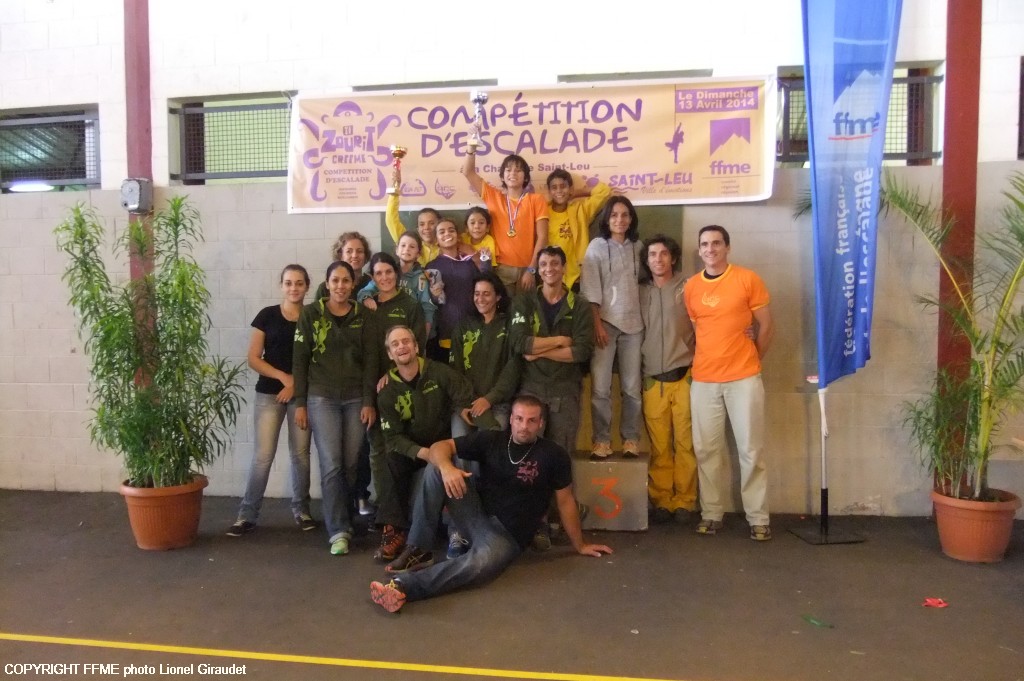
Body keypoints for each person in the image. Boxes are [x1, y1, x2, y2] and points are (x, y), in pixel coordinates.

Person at [369, 395, 613, 613]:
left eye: (531, 421)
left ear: (541, 423)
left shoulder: (554, 455)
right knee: (436, 469)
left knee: (478, 565)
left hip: (505, 537)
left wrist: (580, 545)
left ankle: (402, 587)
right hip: (475, 516)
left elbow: (566, 501)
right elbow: (439, 447)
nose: (524, 426)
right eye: (519, 419)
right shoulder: (493, 440)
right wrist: (447, 468)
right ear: (511, 420)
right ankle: (418, 548)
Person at [684, 225, 774, 541]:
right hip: (704, 380)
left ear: (727, 247)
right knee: (706, 450)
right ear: (699, 250)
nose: (710, 249)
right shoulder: (691, 287)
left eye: (716, 243)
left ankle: (758, 518)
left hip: (744, 378)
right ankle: (711, 514)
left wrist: (752, 357)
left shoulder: (748, 279)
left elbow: (766, 326)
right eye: (705, 244)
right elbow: (697, 332)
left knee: (751, 449)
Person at [293, 261, 377, 555]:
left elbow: (372, 362)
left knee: (352, 464)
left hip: (356, 399)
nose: (340, 286)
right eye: (335, 281)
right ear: (327, 284)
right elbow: (300, 361)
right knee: (332, 464)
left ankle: (348, 518)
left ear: (353, 285)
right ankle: (338, 530)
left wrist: (368, 401)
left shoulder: (364, 316)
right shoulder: (310, 314)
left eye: (345, 281)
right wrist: (300, 403)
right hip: (321, 398)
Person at [227, 264, 315, 537]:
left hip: (301, 397)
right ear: (281, 286)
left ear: (307, 286)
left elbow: (318, 360)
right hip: (268, 394)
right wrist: (284, 378)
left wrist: (295, 386)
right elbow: (254, 358)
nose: (293, 288)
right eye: (288, 283)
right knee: (263, 456)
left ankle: (302, 511)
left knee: (301, 455)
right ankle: (247, 515)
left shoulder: (313, 317)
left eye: (299, 283)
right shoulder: (267, 315)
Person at [374, 325, 473, 562]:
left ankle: (458, 531)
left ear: (416, 346)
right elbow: (393, 438)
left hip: (443, 443)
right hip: (413, 449)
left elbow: (464, 395)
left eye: (406, 341)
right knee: (388, 459)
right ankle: (394, 530)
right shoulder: (386, 391)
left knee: (462, 455)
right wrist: (425, 453)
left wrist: (466, 413)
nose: (402, 347)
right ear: (390, 354)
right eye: (395, 344)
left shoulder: (439, 372)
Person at [508, 246, 594, 457]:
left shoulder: (580, 305)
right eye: (544, 264)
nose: (549, 269)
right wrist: (560, 341)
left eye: (555, 263)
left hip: (565, 390)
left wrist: (538, 352)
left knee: (560, 456)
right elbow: (520, 343)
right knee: (526, 454)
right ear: (538, 269)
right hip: (530, 386)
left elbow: (581, 352)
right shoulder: (524, 301)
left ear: (564, 268)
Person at [639, 236, 698, 524]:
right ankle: (661, 499)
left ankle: (685, 501)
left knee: (685, 443)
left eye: (664, 254)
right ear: (646, 260)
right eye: (652, 254)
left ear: (673, 258)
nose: (658, 259)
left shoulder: (689, 287)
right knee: (660, 446)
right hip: (652, 380)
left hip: (685, 376)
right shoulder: (640, 292)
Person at [580, 196, 644, 460]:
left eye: (625, 215)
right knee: (600, 389)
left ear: (631, 219)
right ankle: (602, 441)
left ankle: (630, 439)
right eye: (614, 215)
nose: (620, 220)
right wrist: (597, 324)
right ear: (606, 219)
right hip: (604, 324)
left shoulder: (639, 247)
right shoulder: (596, 246)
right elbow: (589, 289)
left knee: (632, 388)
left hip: (634, 326)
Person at [461, 149, 548, 294]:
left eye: (518, 170)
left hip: (528, 267)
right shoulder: (494, 197)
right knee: (503, 307)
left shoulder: (536, 200)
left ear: (526, 177)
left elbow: (543, 237)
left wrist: (532, 269)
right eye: (508, 170)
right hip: (501, 268)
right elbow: (468, 172)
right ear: (502, 176)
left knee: (526, 308)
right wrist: (471, 148)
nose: (513, 173)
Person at [424, 218, 489, 361]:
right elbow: (432, 301)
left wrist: (485, 262)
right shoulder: (432, 266)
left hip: (473, 327)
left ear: (458, 236)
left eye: (451, 230)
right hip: (447, 329)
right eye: (442, 232)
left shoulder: (470, 263)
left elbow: (486, 284)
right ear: (436, 240)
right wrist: (435, 295)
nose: (447, 234)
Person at [358, 231, 436, 339]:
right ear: (397, 250)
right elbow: (365, 291)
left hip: (411, 326)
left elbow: (427, 308)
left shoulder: (420, 278)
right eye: (403, 245)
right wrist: (366, 298)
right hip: (390, 324)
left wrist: (424, 337)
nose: (407, 249)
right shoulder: (387, 273)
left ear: (418, 253)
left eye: (412, 246)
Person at [546, 170, 612, 290]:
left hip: (576, 276)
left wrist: (577, 193)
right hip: (550, 274)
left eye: (563, 186)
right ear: (549, 191)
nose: (559, 191)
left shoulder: (580, 210)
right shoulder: (544, 212)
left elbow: (605, 192)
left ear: (570, 188)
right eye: (554, 188)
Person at [385, 167, 443, 267]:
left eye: (431, 223)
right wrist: (396, 186)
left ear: (439, 225)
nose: (426, 228)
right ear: (418, 229)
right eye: (422, 224)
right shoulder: (410, 244)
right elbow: (391, 219)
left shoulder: (447, 246)